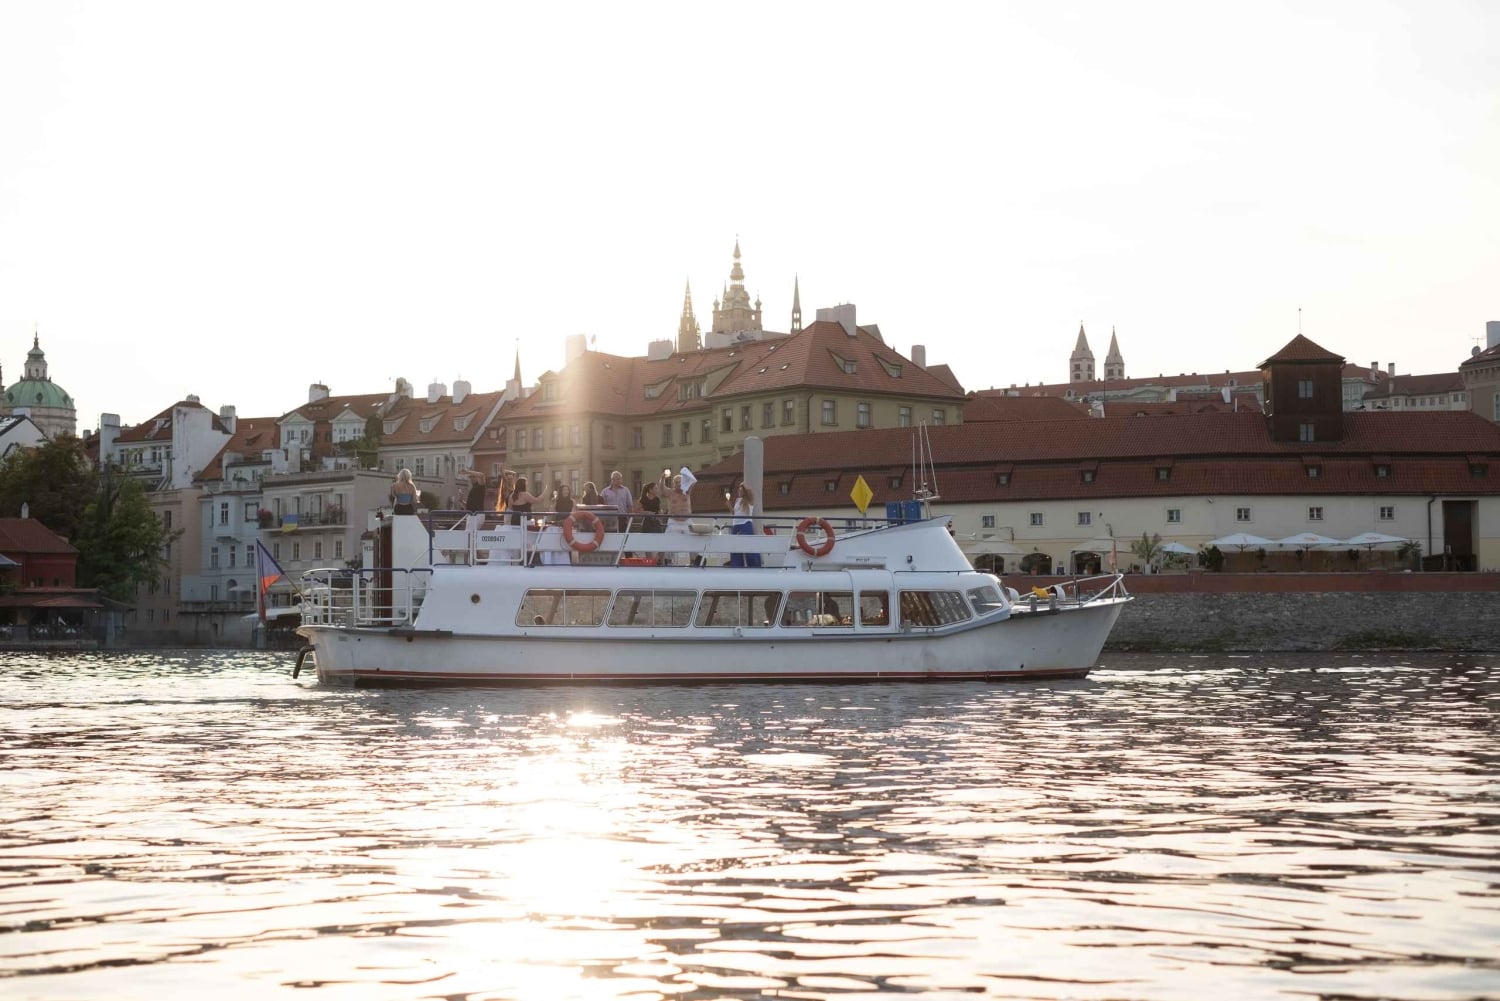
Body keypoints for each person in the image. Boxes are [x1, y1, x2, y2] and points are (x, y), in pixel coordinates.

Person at [727, 482, 760, 568]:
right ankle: (736, 566)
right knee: (735, 548)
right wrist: (730, 506)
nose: (739, 491)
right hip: (736, 524)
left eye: (741, 489)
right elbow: (735, 513)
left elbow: (751, 493)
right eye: (739, 489)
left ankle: (754, 566)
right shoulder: (737, 500)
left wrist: (744, 485)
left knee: (749, 546)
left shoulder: (749, 500)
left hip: (745, 524)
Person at [663, 473, 693, 565]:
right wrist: (662, 478)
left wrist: (686, 473)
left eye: (680, 482)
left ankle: (693, 562)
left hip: (687, 521)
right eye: (676, 482)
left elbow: (693, 481)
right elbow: (662, 487)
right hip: (673, 521)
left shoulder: (687, 491)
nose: (678, 484)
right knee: (668, 541)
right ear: (673, 484)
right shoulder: (670, 492)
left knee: (694, 540)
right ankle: (668, 562)